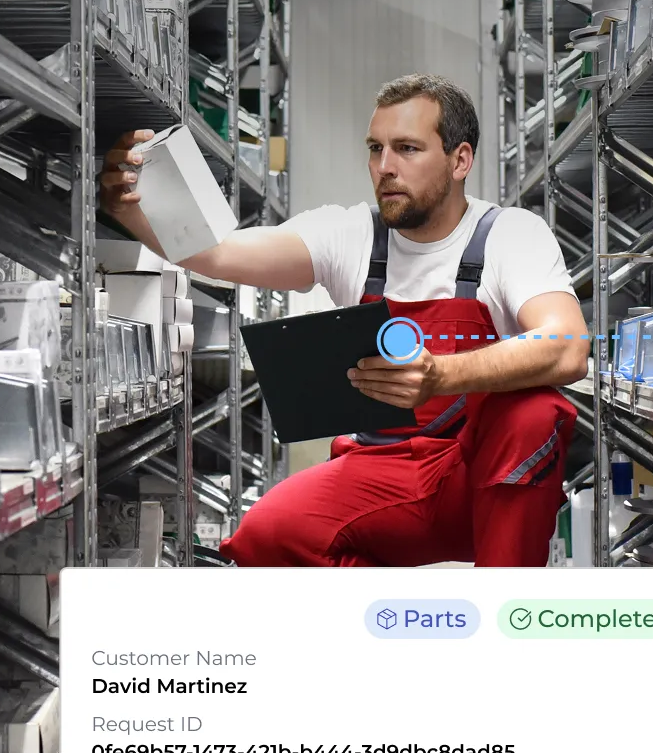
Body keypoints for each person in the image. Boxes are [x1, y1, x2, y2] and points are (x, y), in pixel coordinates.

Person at [101, 73, 589, 567]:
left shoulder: (510, 235)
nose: (384, 167)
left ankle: (503, 618)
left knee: (533, 412)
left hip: (479, 472)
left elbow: (568, 343)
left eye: (407, 149)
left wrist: (442, 375)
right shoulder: (352, 233)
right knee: (266, 538)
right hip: (382, 468)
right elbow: (220, 252)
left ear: (460, 159)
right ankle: (395, 626)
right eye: (375, 148)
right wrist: (136, 207)